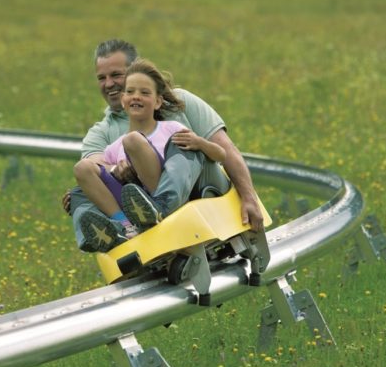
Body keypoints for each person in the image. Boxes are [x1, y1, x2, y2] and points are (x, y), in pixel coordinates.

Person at [64, 39, 264, 252]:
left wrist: (249, 197)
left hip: (201, 188)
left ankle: (162, 208)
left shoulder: (179, 103)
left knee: (181, 144)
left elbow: (226, 149)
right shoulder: (101, 133)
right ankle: (112, 234)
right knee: (79, 194)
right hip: (142, 202)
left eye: (116, 75)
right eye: (101, 78)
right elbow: (95, 166)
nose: (109, 84)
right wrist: (117, 170)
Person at [74, 58, 226, 252]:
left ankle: (158, 210)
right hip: (135, 206)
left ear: (157, 102)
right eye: (130, 92)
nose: (136, 97)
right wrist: (113, 170)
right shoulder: (114, 148)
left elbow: (221, 155)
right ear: (123, 100)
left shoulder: (171, 128)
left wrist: (200, 143)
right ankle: (122, 227)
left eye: (144, 93)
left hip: (170, 199)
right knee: (82, 168)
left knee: (133, 141)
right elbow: (101, 174)